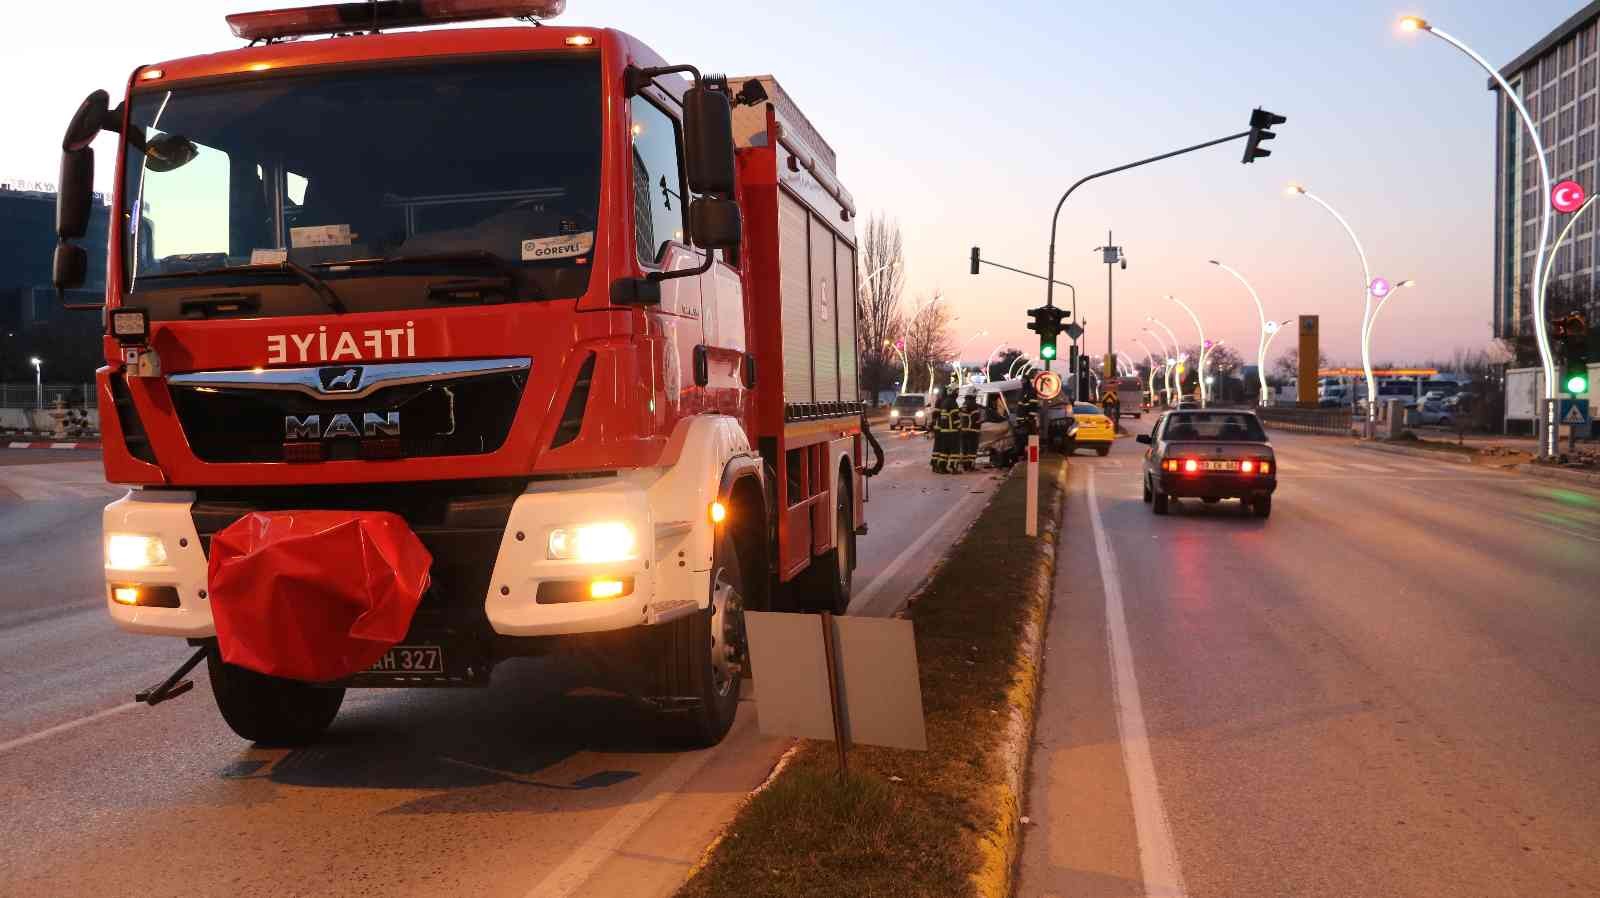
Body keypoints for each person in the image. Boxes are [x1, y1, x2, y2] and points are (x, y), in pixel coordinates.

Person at [960, 393, 982, 471]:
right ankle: (970, 466)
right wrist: (980, 422)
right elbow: (975, 419)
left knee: (965, 449)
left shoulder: (964, 404)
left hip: (963, 430)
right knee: (972, 449)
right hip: (972, 431)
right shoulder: (973, 405)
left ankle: (965, 466)